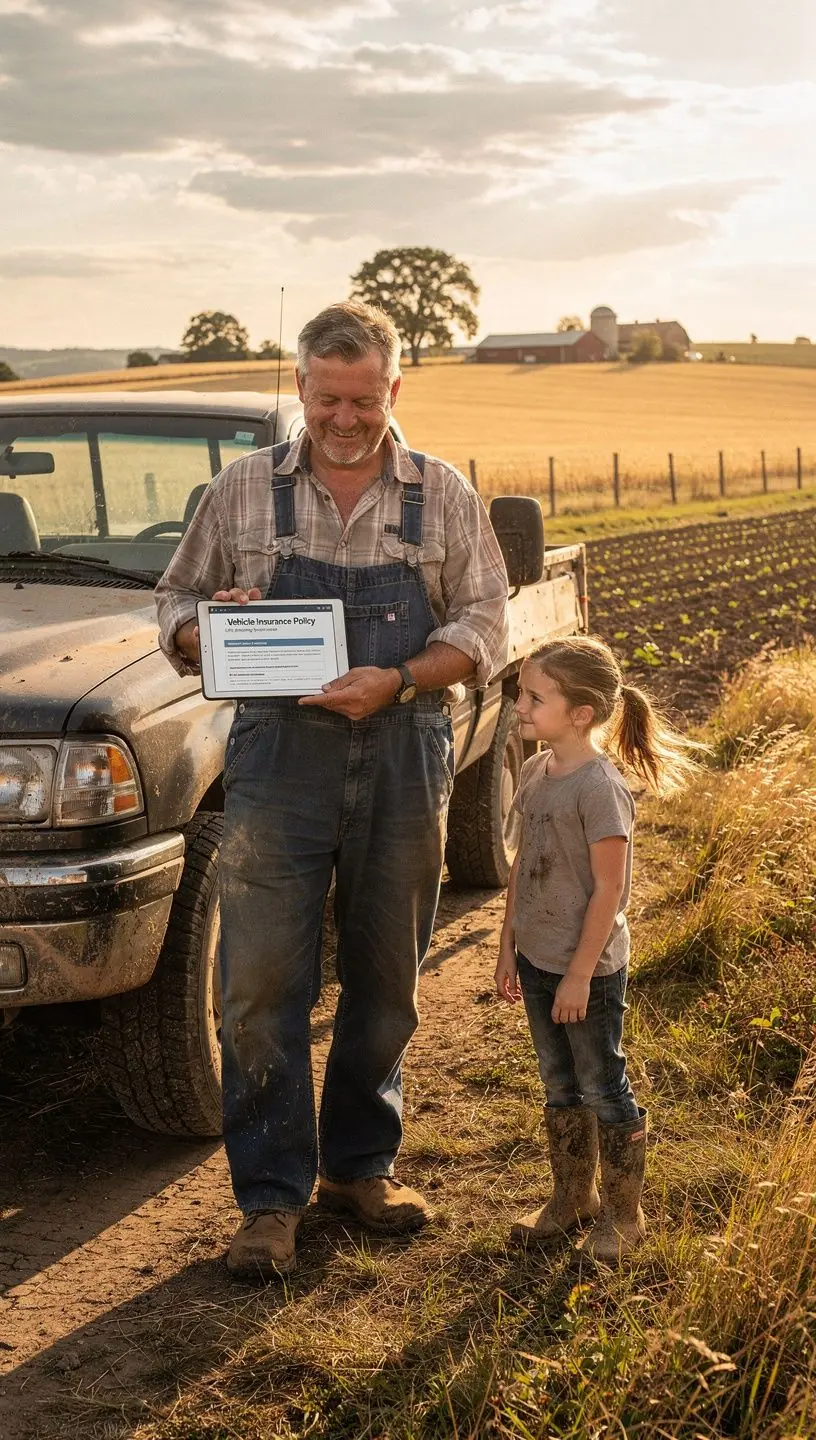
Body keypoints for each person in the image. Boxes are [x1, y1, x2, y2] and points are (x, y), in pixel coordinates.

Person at [156, 300, 509, 1277]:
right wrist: (203, 630)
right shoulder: (240, 492)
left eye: (362, 399)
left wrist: (397, 679)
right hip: (276, 762)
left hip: (404, 752)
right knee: (260, 982)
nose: (344, 419)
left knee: (387, 978)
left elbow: (485, 626)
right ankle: (271, 1199)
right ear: (301, 386)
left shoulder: (442, 496)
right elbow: (175, 604)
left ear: (393, 389)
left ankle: (360, 1166)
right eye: (325, 399)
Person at [494, 636, 697, 1261]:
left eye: (534, 697)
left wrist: (580, 974)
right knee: (559, 1083)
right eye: (522, 694)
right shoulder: (534, 772)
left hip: (588, 972)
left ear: (580, 714)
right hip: (537, 961)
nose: (520, 707)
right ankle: (571, 1198)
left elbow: (610, 890)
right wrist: (508, 947)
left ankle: (623, 1216)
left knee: (603, 1083)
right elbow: (525, 864)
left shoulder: (600, 788)